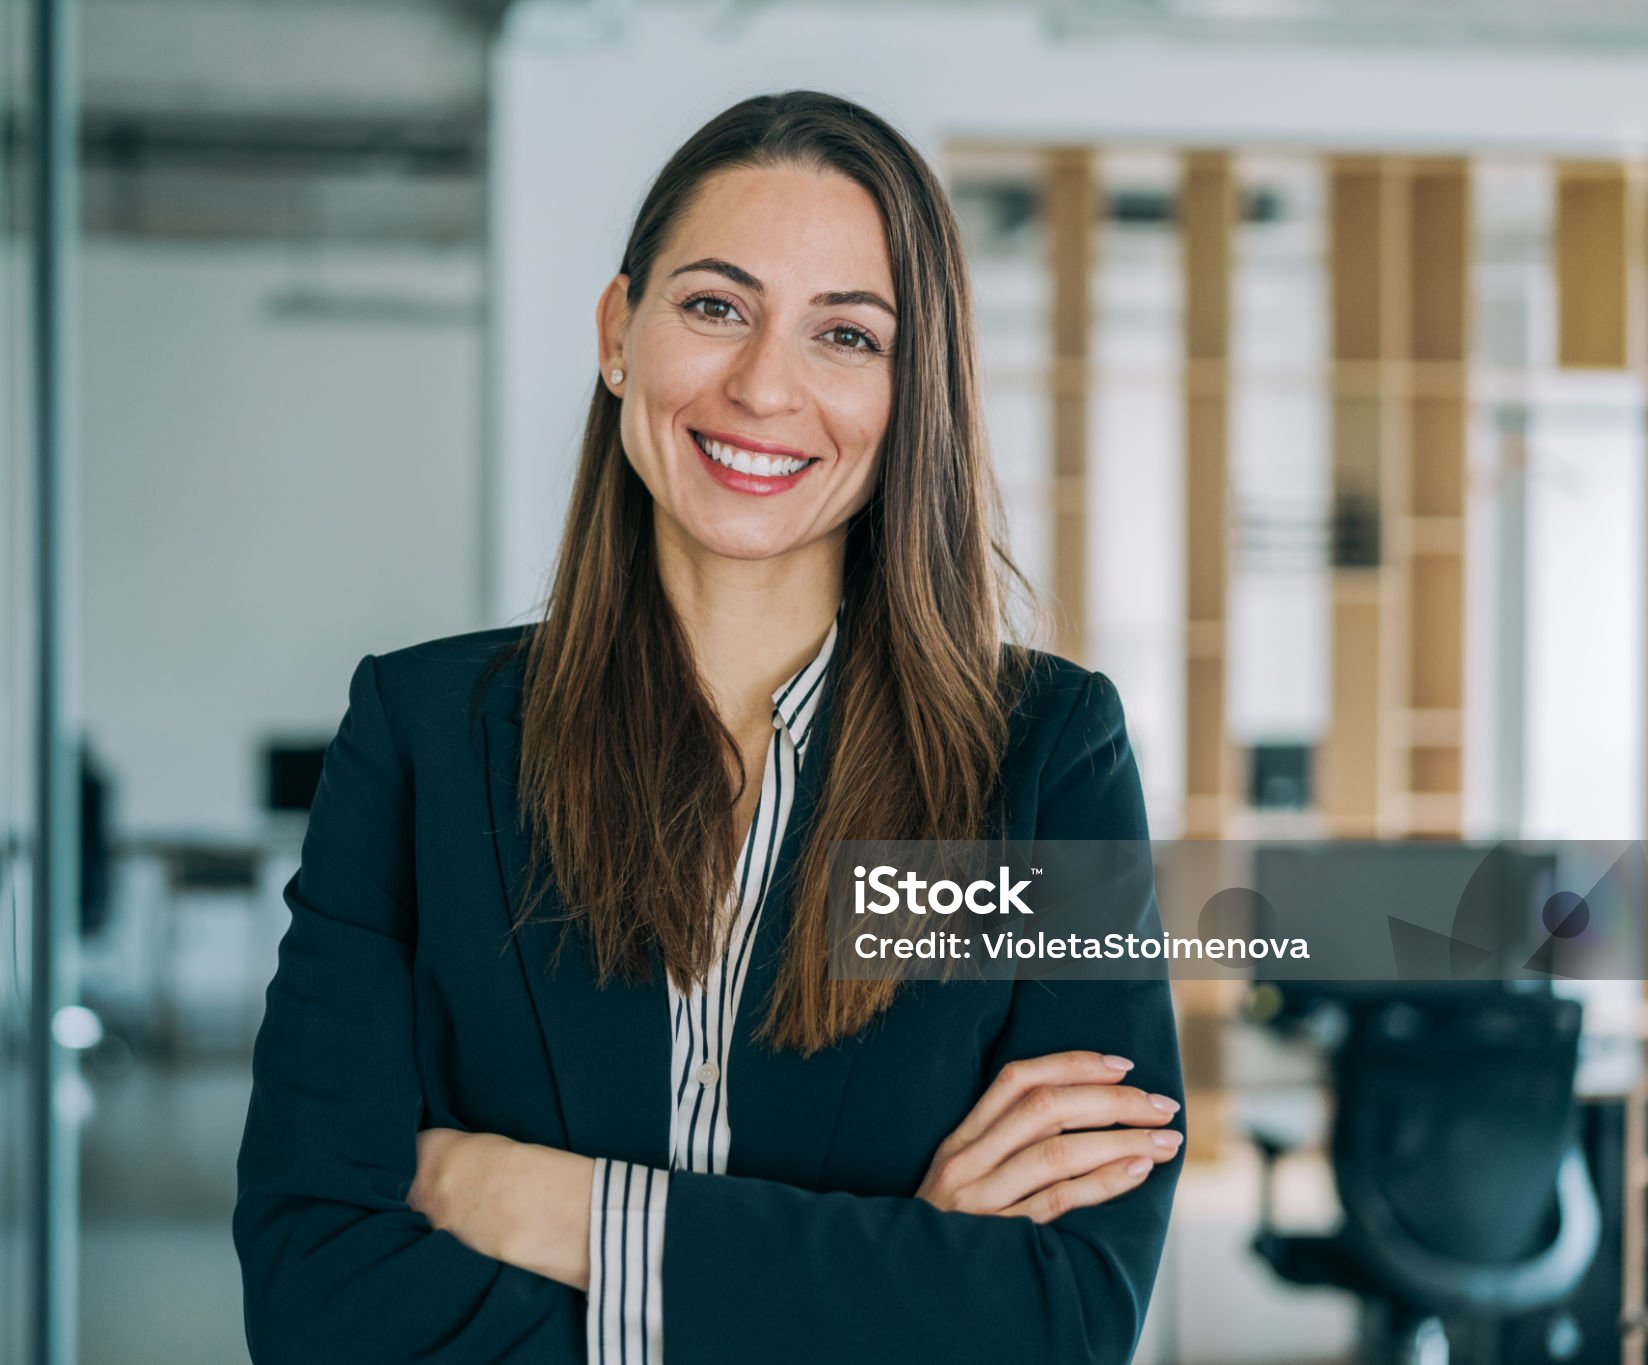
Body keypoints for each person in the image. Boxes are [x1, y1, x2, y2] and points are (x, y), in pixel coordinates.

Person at [234, 89, 1184, 1364]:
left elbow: (1063, 1318)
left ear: (913, 393)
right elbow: (317, 1294)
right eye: (714, 307)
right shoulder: (417, 738)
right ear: (619, 333)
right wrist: (902, 1262)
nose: (763, 386)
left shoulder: (1046, 756)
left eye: (845, 336)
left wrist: (560, 1210)